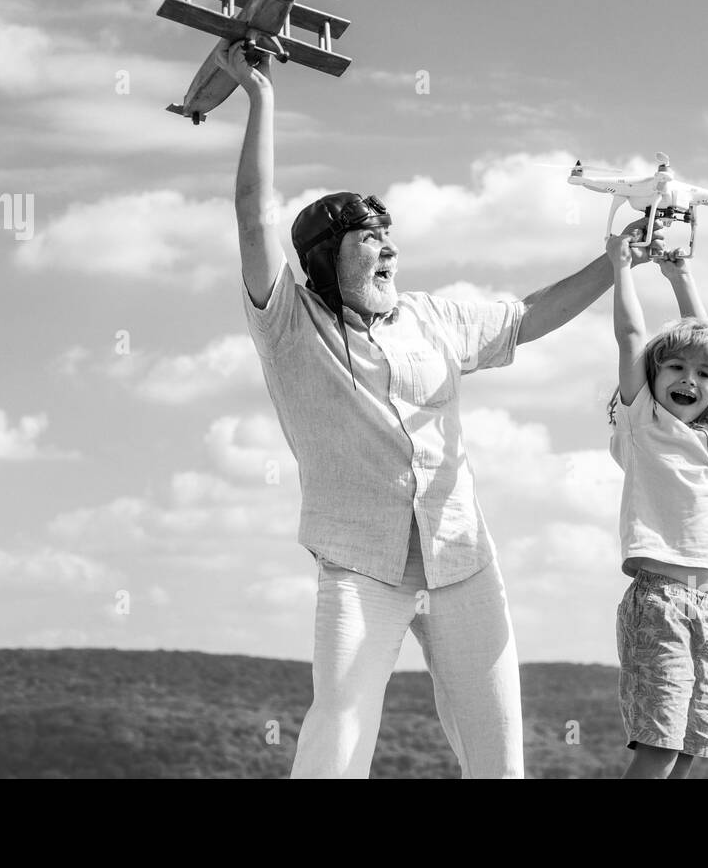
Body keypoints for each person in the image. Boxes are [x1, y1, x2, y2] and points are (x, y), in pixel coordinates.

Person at [218, 40, 664, 778]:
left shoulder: (429, 317)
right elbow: (253, 216)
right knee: (339, 732)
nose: (390, 249)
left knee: (497, 754)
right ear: (327, 257)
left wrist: (613, 262)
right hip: (360, 565)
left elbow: (526, 316)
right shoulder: (291, 326)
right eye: (371, 239)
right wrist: (260, 98)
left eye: (391, 238)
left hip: (463, 559)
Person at [604, 227, 708, 779]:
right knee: (660, 745)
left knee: (691, 746)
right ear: (652, 377)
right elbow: (631, 334)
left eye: (703, 375)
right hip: (659, 602)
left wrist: (681, 274)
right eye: (676, 368)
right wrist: (622, 267)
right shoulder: (644, 423)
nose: (690, 380)